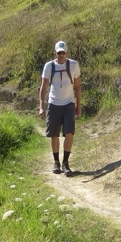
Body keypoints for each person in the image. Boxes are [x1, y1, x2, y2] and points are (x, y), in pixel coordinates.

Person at [38, 40, 81, 176]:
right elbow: (44, 87)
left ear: (66, 53)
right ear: (55, 53)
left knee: (69, 133)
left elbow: (78, 86)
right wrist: (41, 106)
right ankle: (56, 162)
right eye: (59, 53)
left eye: (63, 53)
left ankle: (66, 163)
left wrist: (78, 105)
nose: (61, 55)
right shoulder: (49, 66)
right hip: (54, 104)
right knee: (54, 134)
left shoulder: (73, 65)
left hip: (68, 104)